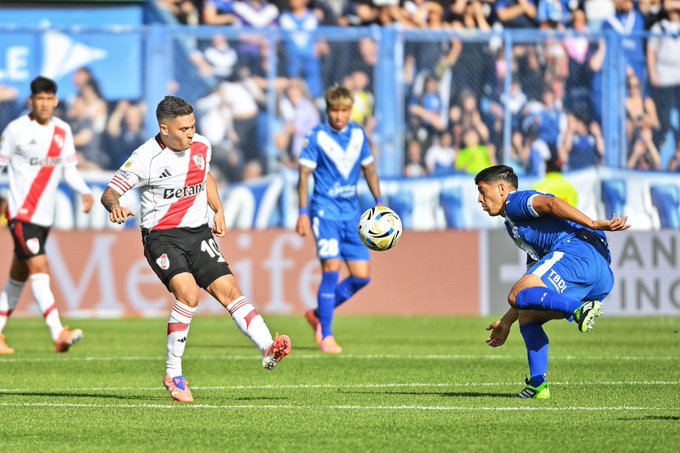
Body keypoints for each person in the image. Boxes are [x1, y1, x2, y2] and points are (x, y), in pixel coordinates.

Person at [100, 95, 291, 403]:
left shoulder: (201, 145)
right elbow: (109, 192)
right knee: (189, 294)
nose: (190, 133)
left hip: (198, 232)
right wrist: (115, 206)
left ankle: (269, 347)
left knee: (229, 290)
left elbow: (205, 177)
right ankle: (173, 373)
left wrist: (218, 209)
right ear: (164, 129)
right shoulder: (145, 158)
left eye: (193, 126)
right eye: (183, 129)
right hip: (161, 237)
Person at [475, 165, 630, 399]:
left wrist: (593, 223)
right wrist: (507, 322)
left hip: (576, 252)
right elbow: (531, 286)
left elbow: (551, 203)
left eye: (482, 191)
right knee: (527, 314)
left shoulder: (515, 202)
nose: (480, 199)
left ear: (501, 189)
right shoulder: (519, 227)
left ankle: (579, 309)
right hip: (599, 274)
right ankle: (538, 384)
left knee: (516, 295)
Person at [0, 76, 94, 355]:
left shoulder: (63, 131)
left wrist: (84, 191)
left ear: (55, 100)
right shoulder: (16, 130)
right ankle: (58, 332)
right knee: (40, 267)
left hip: (44, 217)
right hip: (21, 213)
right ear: (31, 101)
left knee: (19, 274)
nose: (44, 103)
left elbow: (69, 170)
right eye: (38, 99)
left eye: (48, 98)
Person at [296, 85, 383, 354]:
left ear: (350, 111)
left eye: (344, 110)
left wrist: (379, 203)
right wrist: (302, 213)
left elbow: (369, 170)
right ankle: (327, 335)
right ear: (327, 110)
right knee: (331, 270)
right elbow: (303, 176)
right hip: (325, 212)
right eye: (334, 110)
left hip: (352, 214)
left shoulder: (358, 134)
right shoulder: (316, 137)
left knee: (361, 277)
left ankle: (318, 313)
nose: (339, 115)